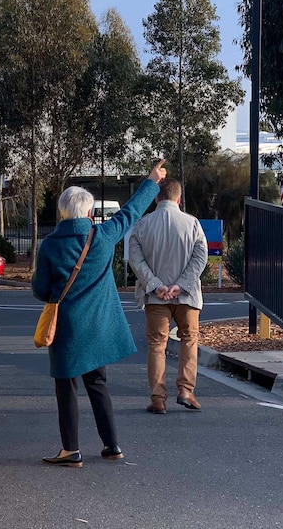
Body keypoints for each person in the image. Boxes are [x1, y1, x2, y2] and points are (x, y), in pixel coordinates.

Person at [32, 160, 167, 468]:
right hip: (98, 326)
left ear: (63, 212)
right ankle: (112, 445)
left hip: (65, 327)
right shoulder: (103, 236)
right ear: (90, 213)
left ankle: (71, 450)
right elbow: (131, 211)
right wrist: (152, 180)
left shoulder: (50, 245)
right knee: (98, 383)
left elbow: (41, 289)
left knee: (66, 385)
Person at [128, 178, 208, 415]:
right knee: (189, 340)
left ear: (156, 198)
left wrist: (155, 285)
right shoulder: (192, 223)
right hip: (187, 296)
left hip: (155, 297)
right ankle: (185, 389)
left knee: (156, 345)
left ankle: (158, 398)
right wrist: (181, 285)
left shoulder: (142, 225)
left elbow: (136, 259)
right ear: (179, 198)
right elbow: (200, 258)